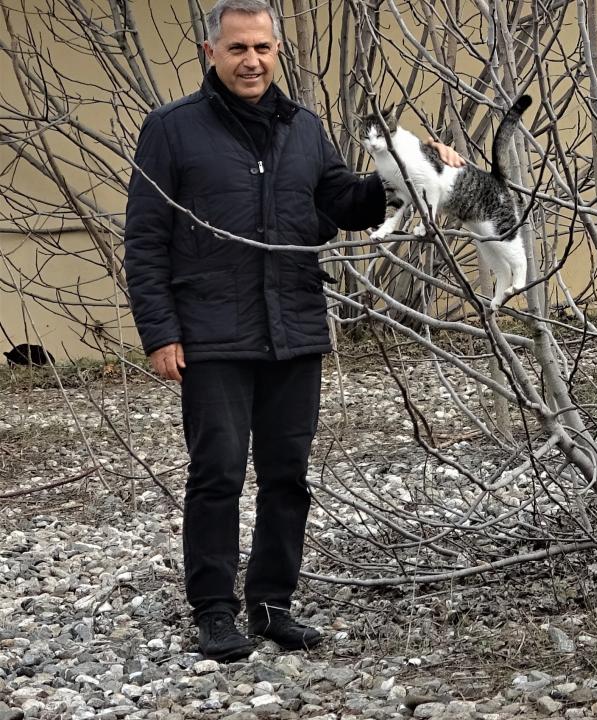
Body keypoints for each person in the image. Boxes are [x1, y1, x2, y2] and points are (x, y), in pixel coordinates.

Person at [123, 0, 464, 662]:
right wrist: (160, 331)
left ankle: (273, 604)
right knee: (217, 473)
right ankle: (216, 610)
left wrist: (410, 174)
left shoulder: (304, 129)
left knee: (288, 476)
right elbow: (144, 238)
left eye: (262, 48)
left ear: (277, 52)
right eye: (238, 48)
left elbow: (345, 204)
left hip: (294, 329)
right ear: (210, 53)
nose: (251, 60)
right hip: (212, 333)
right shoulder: (170, 130)